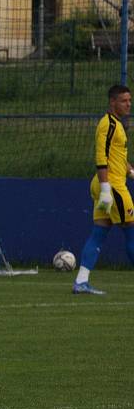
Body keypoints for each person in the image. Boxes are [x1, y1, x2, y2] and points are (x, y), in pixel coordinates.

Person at [73, 83, 134, 294]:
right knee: (131, 234)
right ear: (112, 102)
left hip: (107, 184)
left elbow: (117, 157)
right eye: (124, 101)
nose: (129, 104)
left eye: (129, 100)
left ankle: (81, 282)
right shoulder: (107, 124)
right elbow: (101, 157)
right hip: (112, 186)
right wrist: (107, 189)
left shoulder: (118, 124)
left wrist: (131, 171)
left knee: (98, 233)